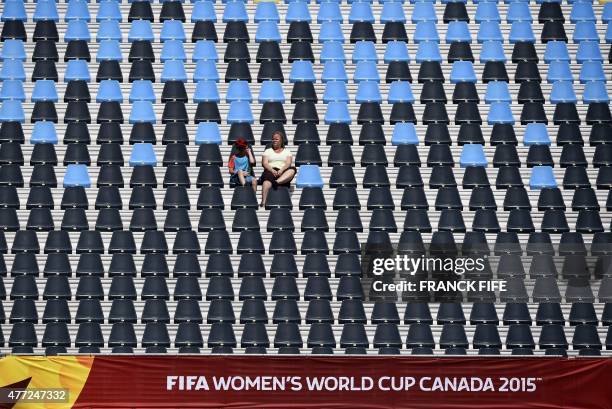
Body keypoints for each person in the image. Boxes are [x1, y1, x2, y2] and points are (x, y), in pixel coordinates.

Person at [260, 131, 296, 207]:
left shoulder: (287, 152)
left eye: (276, 139)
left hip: (282, 171)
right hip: (270, 170)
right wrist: (272, 170)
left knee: (293, 169)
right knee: (266, 183)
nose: (274, 140)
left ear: (281, 140)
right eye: (273, 139)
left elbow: (288, 163)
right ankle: (263, 202)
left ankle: (277, 182)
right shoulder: (268, 151)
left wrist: (281, 170)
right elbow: (265, 163)